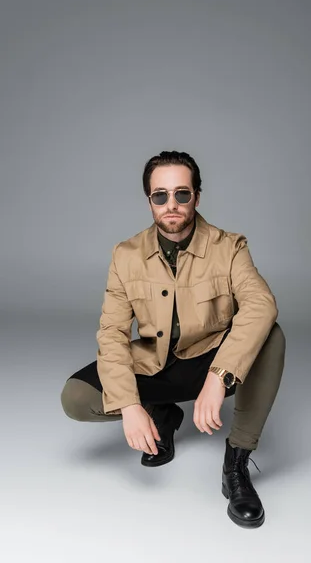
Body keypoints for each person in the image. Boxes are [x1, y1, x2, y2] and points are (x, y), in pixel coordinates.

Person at [61, 150, 286, 529]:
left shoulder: (229, 248)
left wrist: (219, 376)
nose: (172, 205)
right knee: (76, 398)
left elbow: (261, 304)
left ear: (197, 196)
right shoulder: (125, 256)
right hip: (156, 362)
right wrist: (131, 406)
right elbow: (112, 333)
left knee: (271, 336)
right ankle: (161, 413)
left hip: (211, 361)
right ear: (148, 200)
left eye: (182, 194)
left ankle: (236, 464)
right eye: (160, 195)